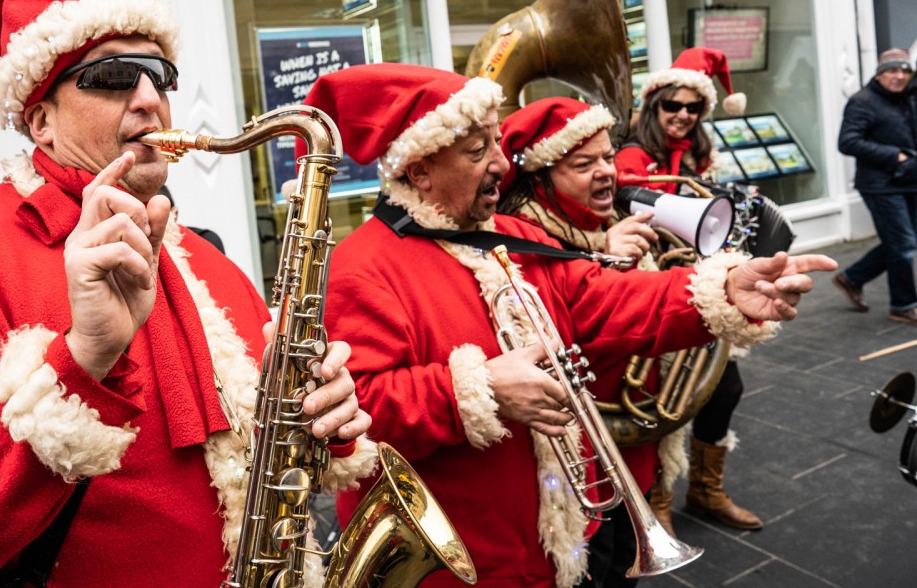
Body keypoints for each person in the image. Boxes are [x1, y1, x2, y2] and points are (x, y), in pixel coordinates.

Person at [0, 0, 374, 588]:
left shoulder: (206, 260)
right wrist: (79, 362)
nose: (149, 99)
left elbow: (276, 466)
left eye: (160, 76)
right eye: (111, 76)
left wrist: (322, 423)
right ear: (40, 123)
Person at [303, 63, 834, 588]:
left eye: (495, 144)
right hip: (463, 558)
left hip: (558, 539)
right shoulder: (361, 266)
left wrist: (721, 291)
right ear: (419, 171)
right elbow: (352, 411)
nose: (499, 164)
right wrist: (477, 390)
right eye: (477, 152)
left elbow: (609, 299)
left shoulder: (510, 235)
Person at [496, 96, 680, 587]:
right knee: (595, 566)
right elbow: (572, 317)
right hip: (582, 458)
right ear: (541, 176)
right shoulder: (524, 238)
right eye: (583, 164)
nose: (606, 173)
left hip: (630, 438)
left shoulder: (605, 217)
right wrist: (600, 253)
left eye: (607, 157)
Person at [614, 47, 764, 533]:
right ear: (652, 105)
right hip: (655, 282)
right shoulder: (632, 158)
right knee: (668, 396)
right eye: (671, 106)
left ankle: (705, 489)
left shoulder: (699, 156)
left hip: (703, 282)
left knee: (723, 388)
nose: (681, 115)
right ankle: (659, 496)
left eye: (692, 108)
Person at [833, 48, 917, 326]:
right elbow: (847, 142)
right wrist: (895, 155)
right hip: (880, 185)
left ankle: (852, 277)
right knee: (903, 244)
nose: (899, 76)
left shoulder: (907, 98)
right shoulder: (863, 102)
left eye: (905, 71)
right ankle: (903, 305)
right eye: (893, 71)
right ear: (880, 74)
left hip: (908, 180)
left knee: (903, 241)